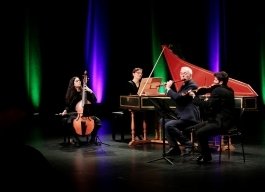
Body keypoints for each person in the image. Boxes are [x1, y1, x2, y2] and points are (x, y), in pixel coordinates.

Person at [188, 71, 235, 163]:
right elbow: (215, 106)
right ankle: (202, 153)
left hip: (220, 123)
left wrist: (194, 97)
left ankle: (206, 156)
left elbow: (207, 106)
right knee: (196, 128)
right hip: (227, 121)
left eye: (215, 79)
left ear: (220, 82)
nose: (213, 81)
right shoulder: (230, 90)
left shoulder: (217, 90)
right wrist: (210, 100)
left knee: (199, 133)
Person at [163, 66, 201, 156]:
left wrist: (168, 88)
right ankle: (174, 148)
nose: (182, 75)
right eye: (181, 73)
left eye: (185, 73)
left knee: (169, 125)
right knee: (163, 121)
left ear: (190, 75)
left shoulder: (192, 85)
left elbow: (178, 98)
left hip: (190, 117)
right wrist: (169, 90)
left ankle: (188, 144)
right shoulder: (184, 85)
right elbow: (178, 97)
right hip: (182, 115)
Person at [60, 75, 101, 146]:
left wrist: (90, 91)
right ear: (73, 84)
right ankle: (76, 140)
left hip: (86, 114)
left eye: (79, 80)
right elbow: (68, 105)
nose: (79, 82)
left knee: (98, 121)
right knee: (69, 121)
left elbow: (95, 100)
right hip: (75, 114)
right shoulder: (71, 94)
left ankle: (92, 139)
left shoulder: (85, 91)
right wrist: (65, 111)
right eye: (77, 81)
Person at [125, 67, 144, 140]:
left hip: (139, 105)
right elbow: (128, 96)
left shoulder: (142, 84)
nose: (140, 74)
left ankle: (140, 133)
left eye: (141, 73)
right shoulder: (129, 83)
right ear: (133, 74)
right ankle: (135, 134)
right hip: (130, 105)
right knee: (136, 114)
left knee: (142, 113)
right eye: (138, 73)